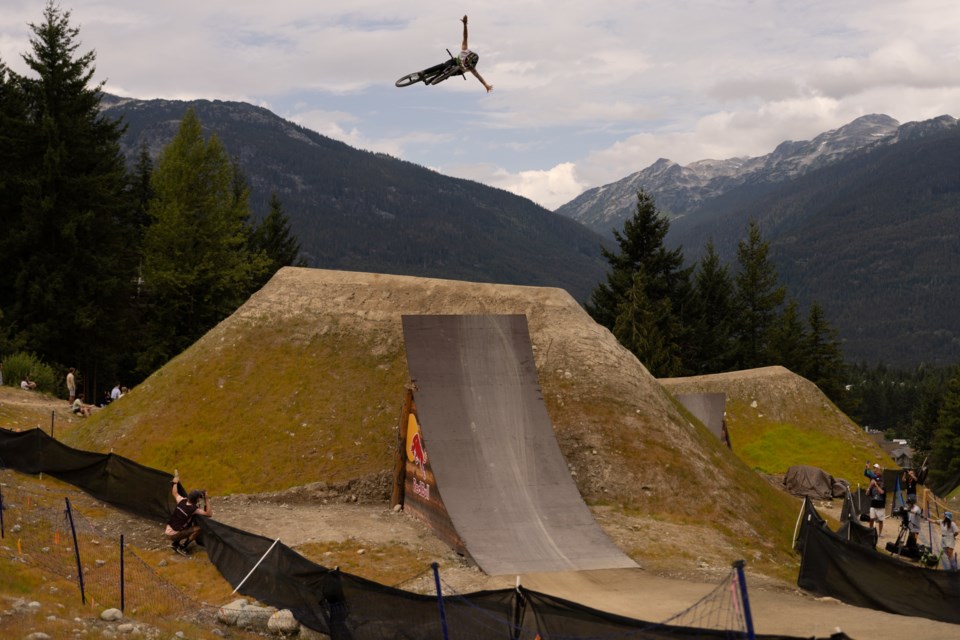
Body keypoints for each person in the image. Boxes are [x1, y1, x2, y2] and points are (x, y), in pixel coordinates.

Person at [420, 16, 493, 92]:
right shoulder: (465, 50)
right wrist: (465, 25)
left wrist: (485, 85)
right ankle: (424, 72)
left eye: (467, 64)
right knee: (443, 66)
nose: (465, 63)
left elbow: (479, 77)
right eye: (466, 61)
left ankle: (433, 79)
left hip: (459, 71)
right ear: (467, 56)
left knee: (447, 75)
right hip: (455, 61)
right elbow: (465, 36)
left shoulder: (472, 68)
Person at [164, 470, 212, 555]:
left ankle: (175, 543)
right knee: (198, 529)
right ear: (197, 500)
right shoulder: (193, 509)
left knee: (186, 523)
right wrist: (207, 499)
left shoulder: (181, 500)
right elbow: (209, 514)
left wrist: (175, 482)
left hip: (168, 530)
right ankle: (183, 547)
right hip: (173, 535)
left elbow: (174, 492)